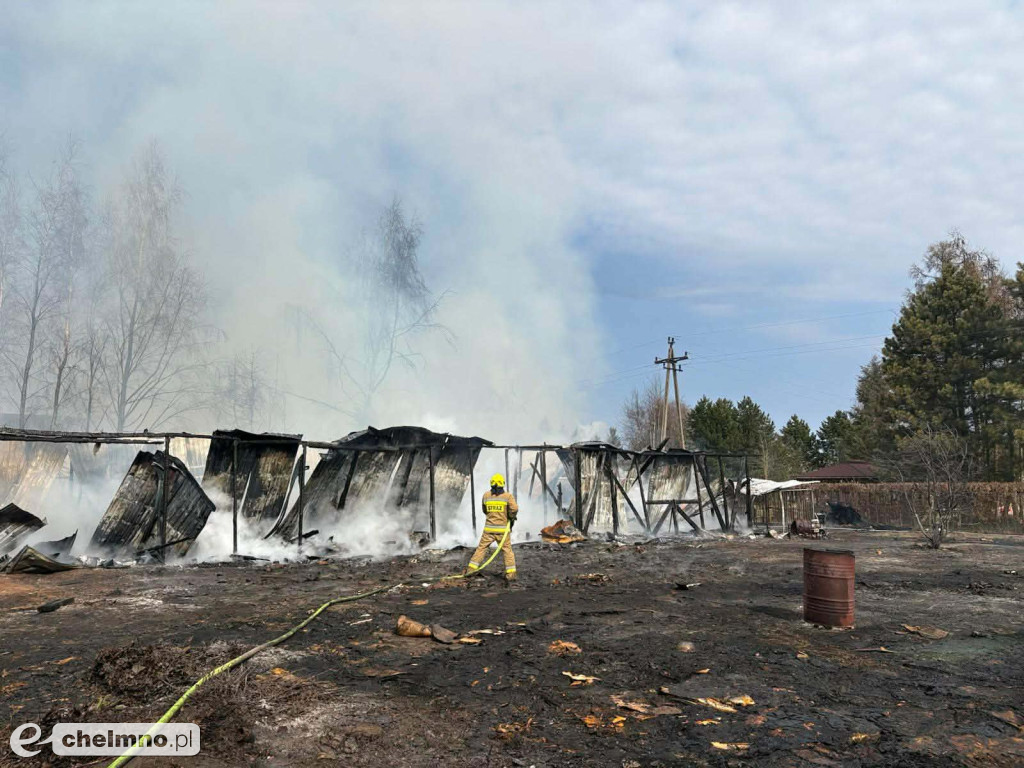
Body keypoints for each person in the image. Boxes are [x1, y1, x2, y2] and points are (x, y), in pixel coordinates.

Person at [465, 473, 518, 581]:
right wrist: (510, 517)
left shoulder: (486, 495)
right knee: (507, 550)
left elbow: (485, 510)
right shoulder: (508, 496)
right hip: (503, 530)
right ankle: (511, 574)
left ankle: (471, 570)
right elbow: (514, 509)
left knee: (481, 549)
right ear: (502, 484)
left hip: (488, 530)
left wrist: (492, 515)